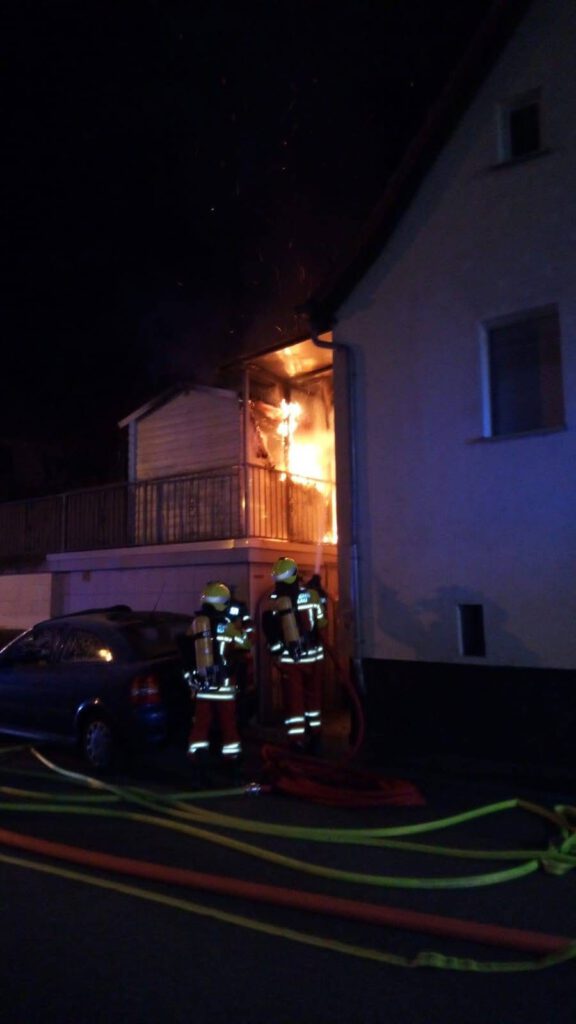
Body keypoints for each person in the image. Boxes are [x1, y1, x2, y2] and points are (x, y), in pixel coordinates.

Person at [185, 581, 252, 781]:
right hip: (223, 686)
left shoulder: (196, 625)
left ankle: (196, 759)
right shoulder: (226, 626)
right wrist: (240, 631)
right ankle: (231, 760)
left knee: (201, 723)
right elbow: (245, 643)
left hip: (203, 685)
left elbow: (186, 649)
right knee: (228, 723)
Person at [265, 556, 328, 752]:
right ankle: (316, 736)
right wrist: (319, 595)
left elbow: (271, 630)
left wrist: (275, 652)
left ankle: (297, 740)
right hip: (314, 657)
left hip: (291, 660)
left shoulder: (276, 601)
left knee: (294, 701)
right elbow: (322, 622)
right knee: (314, 697)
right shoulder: (312, 595)